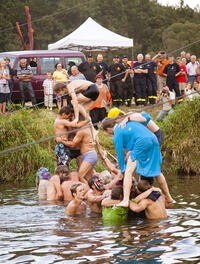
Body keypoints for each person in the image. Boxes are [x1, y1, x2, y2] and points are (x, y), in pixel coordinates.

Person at [101, 117, 173, 207]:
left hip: (142, 142)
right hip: (153, 139)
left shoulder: (117, 133)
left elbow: (120, 156)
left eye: (106, 132)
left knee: (128, 172)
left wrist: (122, 171)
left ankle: (126, 200)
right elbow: (144, 119)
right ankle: (169, 197)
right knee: (156, 171)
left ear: (108, 129)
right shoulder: (128, 122)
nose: (108, 134)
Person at [59, 119, 98, 185]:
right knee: (63, 166)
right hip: (70, 151)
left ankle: (89, 188)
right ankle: (63, 182)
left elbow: (90, 122)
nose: (75, 127)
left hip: (81, 152)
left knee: (83, 174)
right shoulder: (67, 127)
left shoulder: (84, 129)